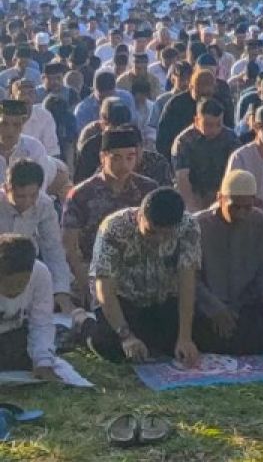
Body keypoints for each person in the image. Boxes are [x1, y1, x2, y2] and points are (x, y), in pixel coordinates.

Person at [87, 187, 201, 365]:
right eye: (152, 232)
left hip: (163, 301)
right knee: (107, 343)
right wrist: (126, 336)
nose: (158, 240)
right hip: (124, 303)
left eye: (166, 235)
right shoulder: (114, 227)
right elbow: (104, 287)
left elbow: (187, 280)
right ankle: (84, 324)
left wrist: (185, 337)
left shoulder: (189, 226)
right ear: (139, 216)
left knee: (200, 336)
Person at [194, 170, 263, 353]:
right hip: (208, 307)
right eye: (235, 207)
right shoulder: (198, 225)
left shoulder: (261, 220)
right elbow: (191, 279)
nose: (241, 214)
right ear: (220, 198)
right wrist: (215, 308)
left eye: (247, 207)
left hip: (245, 304)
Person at [62, 127, 159, 304]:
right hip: (96, 273)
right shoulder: (81, 195)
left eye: (130, 157)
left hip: (141, 275)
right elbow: (71, 248)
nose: (124, 165)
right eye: (116, 158)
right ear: (103, 157)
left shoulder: (148, 190)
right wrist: (91, 287)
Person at [0, 160, 72, 312]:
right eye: (20, 196)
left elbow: (53, 248)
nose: (27, 202)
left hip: (28, 268)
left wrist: (61, 290)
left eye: (33, 195)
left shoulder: (44, 204)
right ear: (7, 189)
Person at [0, 234, 60, 380]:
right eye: (8, 284)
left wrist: (43, 362)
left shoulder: (40, 273)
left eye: (21, 283)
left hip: (15, 333)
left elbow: (41, 321)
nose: (14, 290)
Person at [172, 97, 239, 211]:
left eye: (218, 124)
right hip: (194, 194)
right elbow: (182, 178)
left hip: (222, 193)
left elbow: (237, 170)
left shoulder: (230, 137)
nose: (214, 130)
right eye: (208, 125)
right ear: (197, 120)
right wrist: (193, 208)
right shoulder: (184, 141)